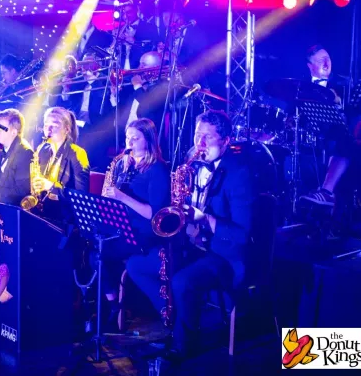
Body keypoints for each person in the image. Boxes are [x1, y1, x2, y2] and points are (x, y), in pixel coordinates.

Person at [129, 110, 255, 359]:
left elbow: (242, 236)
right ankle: (172, 321)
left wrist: (204, 218)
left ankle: (184, 345)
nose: (200, 143)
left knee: (182, 280)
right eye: (198, 135)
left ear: (226, 140)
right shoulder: (193, 162)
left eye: (208, 137)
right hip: (193, 245)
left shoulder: (239, 174)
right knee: (137, 265)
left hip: (224, 254)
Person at [100, 118, 171, 331]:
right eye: (127, 137)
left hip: (144, 232)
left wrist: (122, 198)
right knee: (91, 246)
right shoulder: (124, 164)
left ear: (148, 140)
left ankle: (116, 309)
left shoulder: (157, 170)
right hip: (123, 226)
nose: (129, 142)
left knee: (101, 253)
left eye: (135, 138)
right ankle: (113, 304)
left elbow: (155, 215)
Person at [300, 45, 352, 207]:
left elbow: (352, 113)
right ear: (310, 66)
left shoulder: (343, 85)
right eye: (321, 60)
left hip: (334, 135)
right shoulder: (299, 85)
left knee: (344, 140)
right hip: (306, 135)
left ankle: (327, 192)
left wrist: (338, 102)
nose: (326, 63)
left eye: (328, 58)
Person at [29, 107, 90, 222]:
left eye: (55, 125)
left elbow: (82, 196)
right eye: (46, 125)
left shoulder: (78, 154)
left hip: (65, 216)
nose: (49, 129)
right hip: (45, 210)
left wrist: (51, 187)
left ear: (67, 129)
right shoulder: (43, 149)